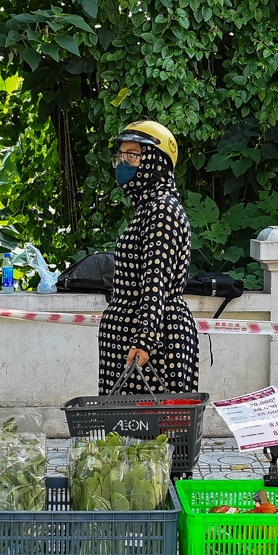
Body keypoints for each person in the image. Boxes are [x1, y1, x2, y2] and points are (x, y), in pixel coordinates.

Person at [99, 120, 199, 395]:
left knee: (156, 433)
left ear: (156, 162)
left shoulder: (162, 212)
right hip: (140, 336)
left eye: (133, 155)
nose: (123, 163)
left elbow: (154, 282)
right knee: (132, 435)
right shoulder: (147, 210)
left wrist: (144, 340)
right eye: (120, 155)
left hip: (156, 342)